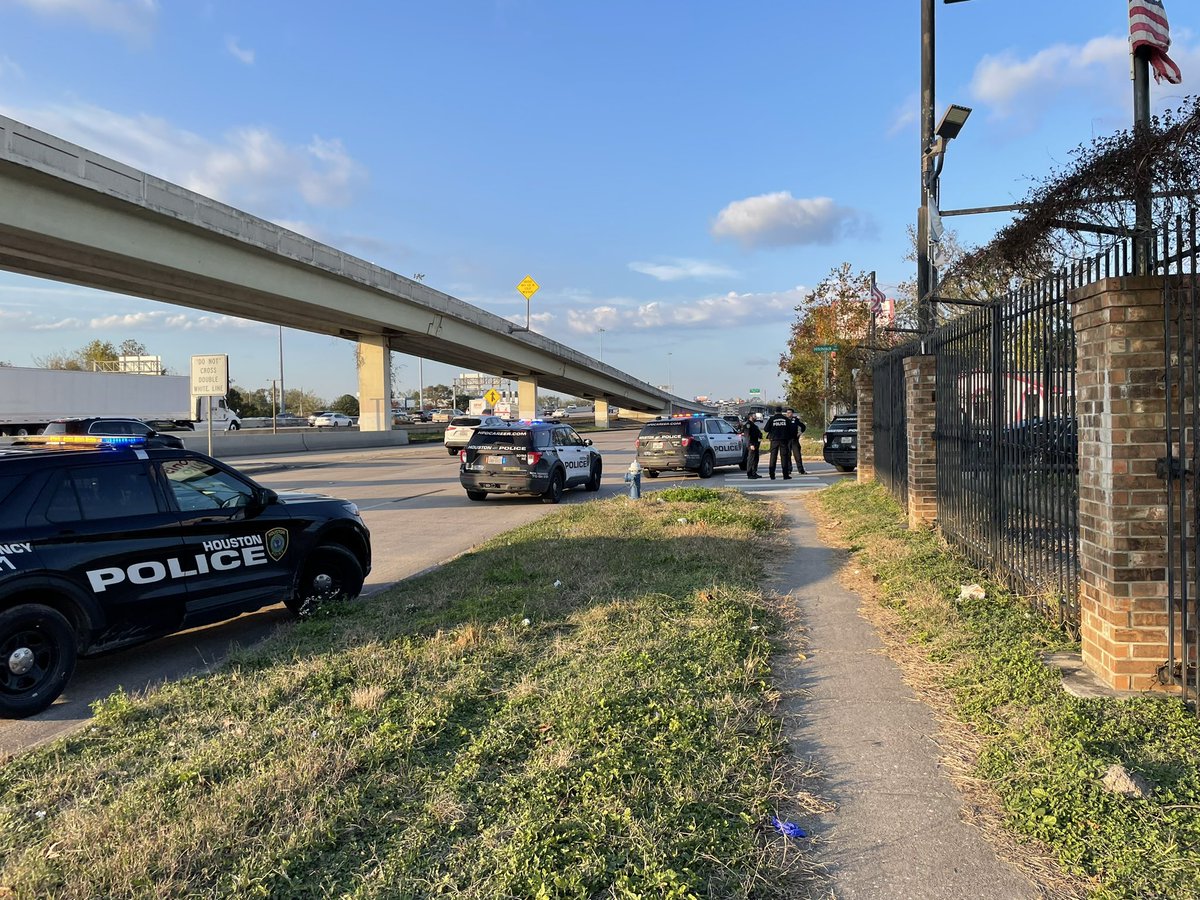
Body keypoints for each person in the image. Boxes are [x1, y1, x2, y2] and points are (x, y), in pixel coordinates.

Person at [762, 406, 792, 479]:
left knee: (773, 457)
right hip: (783, 440)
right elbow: (790, 429)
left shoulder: (772, 419)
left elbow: (766, 429)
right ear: (781, 411)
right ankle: (785, 475)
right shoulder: (785, 419)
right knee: (784, 457)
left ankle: (772, 475)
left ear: (775, 411)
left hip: (774, 440)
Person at [785, 408, 807, 475]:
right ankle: (789, 470)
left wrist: (800, 432)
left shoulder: (795, 420)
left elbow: (803, 426)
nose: (789, 414)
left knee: (797, 455)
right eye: (787, 412)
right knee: (787, 455)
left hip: (794, 439)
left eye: (790, 412)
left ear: (792, 413)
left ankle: (801, 470)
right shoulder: (784, 420)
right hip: (786, 440)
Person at [743, 413, 763, 479]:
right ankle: (749, 474)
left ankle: (754, 473)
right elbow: (747, 436)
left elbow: (758, 433)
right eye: (755, 416)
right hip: (751, 444)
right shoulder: (748, 425)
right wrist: (751, 444)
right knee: (751, 459)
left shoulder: (753, 425)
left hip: (756, 443)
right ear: (751, 417)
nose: (756, 417)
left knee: (756, 459)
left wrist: (760, 435)